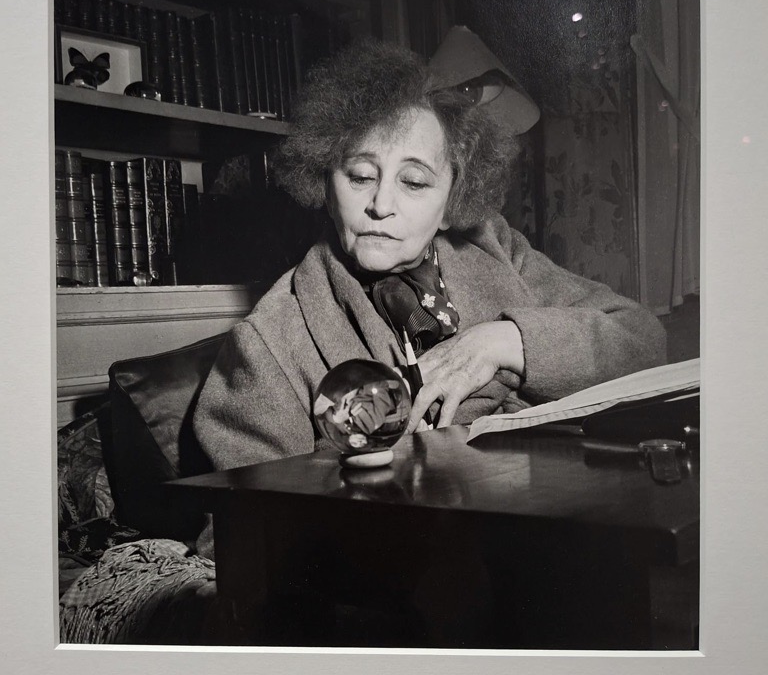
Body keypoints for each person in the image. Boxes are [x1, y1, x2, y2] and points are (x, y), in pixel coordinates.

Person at [193, 39, 666, 473]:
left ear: (451, 204)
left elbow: (644, 340)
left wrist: (503, 342)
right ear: (326, 186)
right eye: (360, 176)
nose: (381, 204)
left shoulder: (497, 247)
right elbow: (248, 520)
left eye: (414, 182)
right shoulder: (268, 343)